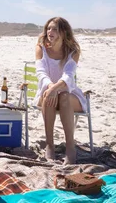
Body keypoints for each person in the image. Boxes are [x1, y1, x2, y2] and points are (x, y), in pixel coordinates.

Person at [35, 17, 87, 164]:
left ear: (63, 33)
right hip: (47, 92)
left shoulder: (73, 51)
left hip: (68, 94)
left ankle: (70, 146)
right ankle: (50, 145)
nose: (50, 31)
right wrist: (50, 87)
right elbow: (40, 72)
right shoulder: (41, 48)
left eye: (55, 29)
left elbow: (69, 75)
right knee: (48, 95)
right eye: (49, 28)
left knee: (63, 95)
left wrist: (55, 88)